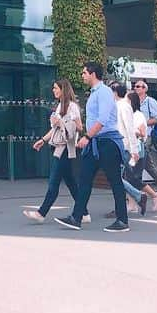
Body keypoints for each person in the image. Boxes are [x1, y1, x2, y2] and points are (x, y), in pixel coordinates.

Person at [54, 62, 130, 233]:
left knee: (115, 181)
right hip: (96, 142)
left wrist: (87, 137)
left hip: (107, 142)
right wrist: (89, 137)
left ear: (93, 74)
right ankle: (76, 217)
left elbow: (102, 120)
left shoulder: (103, 92)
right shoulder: (95, 93)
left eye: (84, 73)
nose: (82, 75)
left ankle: (122, 220)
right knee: (85, 179)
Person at [24, 78, 82, 222]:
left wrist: (61, 122)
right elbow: (54, 129)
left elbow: (79, 127)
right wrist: (43, 140)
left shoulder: (72, 106)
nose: (53, 90)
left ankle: (41, 213)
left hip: (65, 148)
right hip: (58, 146)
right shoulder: (60, 106)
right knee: (71, 183)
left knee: (54, 182)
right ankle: (84, 212)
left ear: (63, 90)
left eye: (56, 88)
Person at [113, 83, 157, 216]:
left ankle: (140, 198)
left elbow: (132, 131)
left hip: (127, 147)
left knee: (126, 177)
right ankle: (134, 200)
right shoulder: (118, 107)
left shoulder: (129, 110)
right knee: (122, 177)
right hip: (123, 146)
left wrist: (134, 150)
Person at [134, 79, 157, 196]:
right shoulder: (134, 101)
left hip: (148, 135)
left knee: (139, 162)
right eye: (135, 86)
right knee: (147, 163)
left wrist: (143, 123)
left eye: (139, 86)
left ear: (145, 89)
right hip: (138, 135)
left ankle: (135, 188)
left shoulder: (151, 102)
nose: (136, 88)